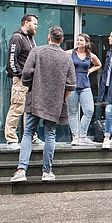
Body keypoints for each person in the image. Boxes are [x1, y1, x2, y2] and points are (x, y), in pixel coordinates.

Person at [10, 26, 75, 183]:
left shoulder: (37, 51)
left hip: (35, 99)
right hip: (54, 103)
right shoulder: (66, 57)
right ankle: (47, 171)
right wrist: (62, 99)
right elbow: (71, 84)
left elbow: (26, 73)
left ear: (48, 37)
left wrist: (30, 86)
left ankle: (21, 170)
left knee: (27, 133)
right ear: (61, 40)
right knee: (50, 135)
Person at [4, 13, 43, 150]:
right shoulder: (17, 38)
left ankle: (31, 136)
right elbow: (11, 61)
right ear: (26, 23)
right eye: (35, 24)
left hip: (31, 81)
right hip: (21, 81)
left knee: (30, 109)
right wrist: (21, 75)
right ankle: (11, 139)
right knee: (17, 107)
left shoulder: (31, 39)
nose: (36, 27)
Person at [66, 33, 102, 146]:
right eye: (78, 40)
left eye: (81, 40)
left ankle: (82, 136)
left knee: (89, 110)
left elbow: (98, 64)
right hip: (72, 85)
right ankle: (75, 137)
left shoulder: (90, 55)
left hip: (85, 85)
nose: (78, 42)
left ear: (86, 43)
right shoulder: (70, 53)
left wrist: (90, 71)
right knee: (72, 112)